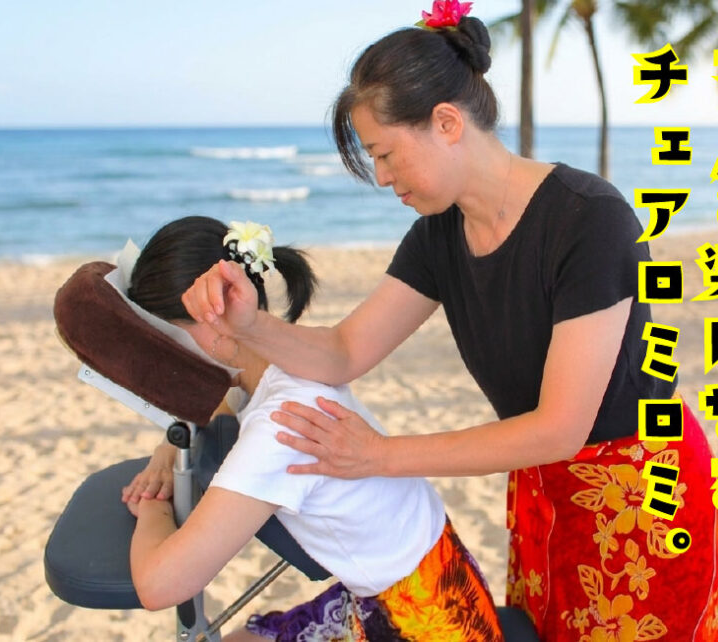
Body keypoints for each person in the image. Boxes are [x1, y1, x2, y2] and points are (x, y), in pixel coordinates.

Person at [181, 0, 718, 641]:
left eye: (386, 154)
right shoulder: (440, 234)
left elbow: (560, 427)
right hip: (543, 488)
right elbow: (343, 351)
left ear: (446, 122)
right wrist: (250, 326)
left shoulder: (589, 219)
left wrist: (379, 455)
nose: (382, 178)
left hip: (642, 491)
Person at [119, 215, 504, 641]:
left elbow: (160, 586)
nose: (165, 360)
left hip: (423, 622)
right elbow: (223, 405)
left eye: (165, 341)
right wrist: (166, 452)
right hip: (431, 579)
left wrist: (152, 506)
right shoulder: (291, 359)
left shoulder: (280, 428)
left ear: (211, 324)